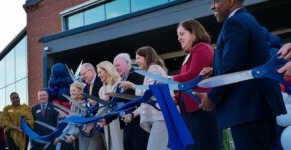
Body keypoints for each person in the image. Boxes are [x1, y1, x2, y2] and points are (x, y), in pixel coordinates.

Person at [195, 0, 286, 149]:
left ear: (230, 2)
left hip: (247, 108)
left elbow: (231, 68)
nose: (212, 6)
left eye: (216, 1)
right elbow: (245, 60)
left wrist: (211, 98)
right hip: (255, 107)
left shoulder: (235, 23)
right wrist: (215, 70)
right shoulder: (246, 19)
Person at [169, 19, 220, 150]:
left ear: (194, 34)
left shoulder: (202, 47)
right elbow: (185, 84)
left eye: (182, 34)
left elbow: (194, 75)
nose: (179, 38)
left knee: (203, 145)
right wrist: (176, 98)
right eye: (178, 35)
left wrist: (168, 78)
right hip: (190, 111)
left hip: (201, 108)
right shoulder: (189, 54)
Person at [120, 46, 170, 150]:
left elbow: (149, 92)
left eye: (138, 58)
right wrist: (133, 114)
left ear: (146, 57)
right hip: (160, 118)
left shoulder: (154, 69)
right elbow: (148, 101)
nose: (136, 61)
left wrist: (132, 85)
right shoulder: (150, 71)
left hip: (161, 118)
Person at [113, 53, 149, 150]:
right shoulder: (119, 82)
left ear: (127, 63)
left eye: (118, 65)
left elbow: (144, 96)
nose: (116, 68)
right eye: (114, 66)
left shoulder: (138, 75)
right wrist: (106, 119)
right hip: (126, 125)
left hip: (139, 123)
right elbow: (117, 104)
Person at [96, 61, 123, 150]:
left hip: (117, 123)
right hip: (106, 125)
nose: (98, 75)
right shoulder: (101, 90)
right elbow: (100, 110)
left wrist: (110, 99)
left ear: (107, 70)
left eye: (100, 72)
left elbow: (121, 104)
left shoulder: (119, 84)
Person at [79, 62, 106, 150]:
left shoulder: (101, 81)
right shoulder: (86, 88)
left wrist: (96, 103)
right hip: (94, 127)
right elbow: (88, 107)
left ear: (90, 71)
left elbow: (106, 101)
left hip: (105, 123)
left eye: (83, 74)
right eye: (81, 75)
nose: (82, 77)